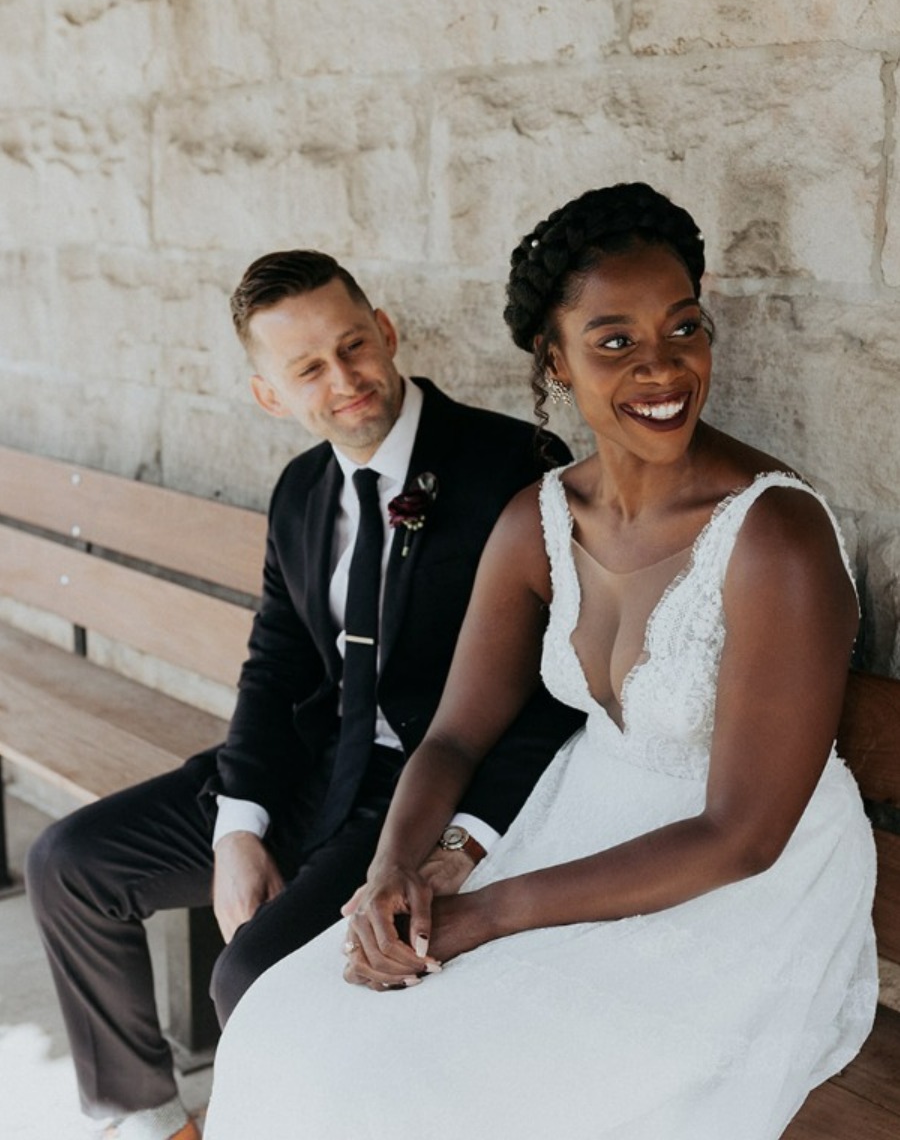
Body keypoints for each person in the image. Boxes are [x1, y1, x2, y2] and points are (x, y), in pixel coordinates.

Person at [204, 184, 878, 1140]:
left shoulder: (774, 537)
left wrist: (486, 913)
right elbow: (454, 732)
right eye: (614, 340)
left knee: (439, 1092)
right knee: (286, 1023)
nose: (663, 366)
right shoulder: (540, 519)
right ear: (555, 360)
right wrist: (394, 871)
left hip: (739, 883)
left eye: (684, 326)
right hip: (576, 821)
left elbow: (742, 837)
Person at [25, 250, 581, 1140]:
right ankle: (150, 1122)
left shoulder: (510, 466)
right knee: (72, 865)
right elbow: (276, 665)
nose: (346, 380)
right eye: (309, 368)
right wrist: (239, 826)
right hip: (315, 763)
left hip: (423, 790)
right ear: (270, 395)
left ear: (387, 334)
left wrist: (466, 840)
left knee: (248, 977)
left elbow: (560, 688)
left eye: (353, 346)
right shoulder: (301, 494)